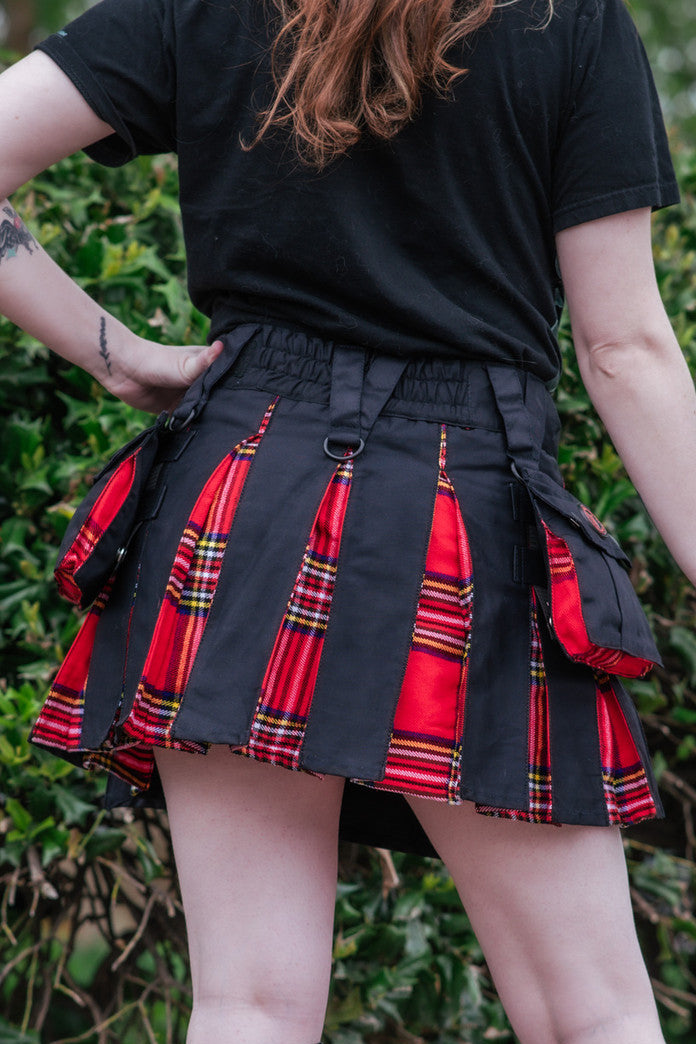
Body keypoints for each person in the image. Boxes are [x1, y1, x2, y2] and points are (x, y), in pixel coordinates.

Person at [0, 0, 690, 1041]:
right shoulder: (569, 19)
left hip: (239, 494)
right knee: (588, 1014)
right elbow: (624, 347)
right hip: (461, 512)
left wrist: (116, 352)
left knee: (251, 1004)